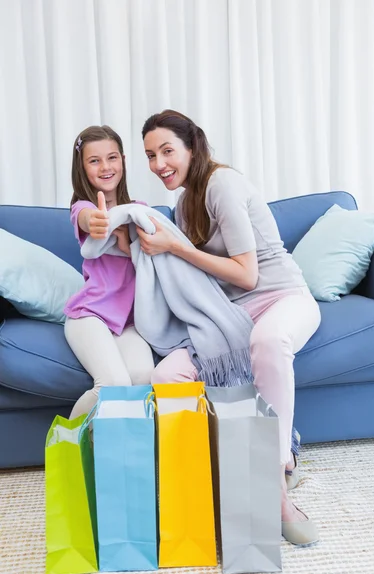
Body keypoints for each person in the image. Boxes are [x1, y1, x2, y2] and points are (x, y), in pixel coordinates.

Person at [139, 110, 321, 546]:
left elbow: (247, 275)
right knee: (165, 374)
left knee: (269, 340)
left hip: (283, 297)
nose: (159, 163)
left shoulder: (223, 185)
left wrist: (177, 247)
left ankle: (275, 485)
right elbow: (196, 279)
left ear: (191, 147)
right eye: (149, 155)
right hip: (230, 316)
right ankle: (203, 483)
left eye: (167, 150)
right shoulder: (183, 204)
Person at [64, 125, 154, 420]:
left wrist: (129, 242)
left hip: (128, 322)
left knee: (142, 378)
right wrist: (100, 221)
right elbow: (89, 219)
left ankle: (117, 453)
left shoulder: (138, 210)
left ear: (123, 161)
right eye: (94, 160)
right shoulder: (83, 207)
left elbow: (155, 259)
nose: (105, 167)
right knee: (113, 383)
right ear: (82, 167)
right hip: (89, 316)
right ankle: (65, 442)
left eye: (112, 158)